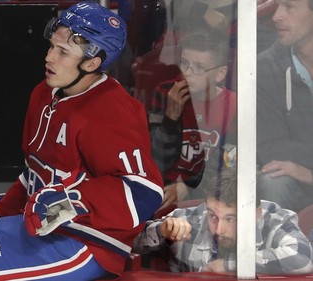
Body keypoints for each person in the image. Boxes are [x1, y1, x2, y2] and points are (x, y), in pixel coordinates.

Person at [0, 2, 164, 280]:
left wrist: (71, 201)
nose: (49, 58)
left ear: (92, 62)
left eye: (62, 52)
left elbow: (144, 191)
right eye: (51, 47)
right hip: (42, 229)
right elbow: (37, 172)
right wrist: (2, 211)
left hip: (88, 243)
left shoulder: (113, 111)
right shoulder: (44, 94)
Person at [133, 169, 313, 274]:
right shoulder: (193, 219)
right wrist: (162, 231)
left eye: (231, 219)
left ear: (256, 213)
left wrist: (229, 266)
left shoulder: (274, 220)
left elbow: (302, 257)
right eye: (213, 216)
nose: (219, 229)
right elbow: (128, 242)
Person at [149, 26, 237, 210]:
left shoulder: (235, 106)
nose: (188, 72)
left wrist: (188, 188)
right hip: (163, 188)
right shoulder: (164, 93)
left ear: (220, 74)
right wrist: (171, 118)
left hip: (211, 195)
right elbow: (155, 160)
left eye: (199, 68)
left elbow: (228, 166)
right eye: (185, 63)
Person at [257, 0, 313, 212]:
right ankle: (278, 245)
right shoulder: (265, 66)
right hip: (295, 181)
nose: (276, 16)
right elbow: (270, 146)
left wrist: (309, 175)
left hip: (306, 172)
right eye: (278, 5)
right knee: (273, 180)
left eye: (289, 7)